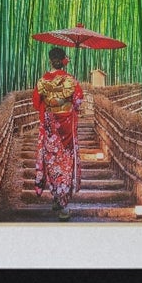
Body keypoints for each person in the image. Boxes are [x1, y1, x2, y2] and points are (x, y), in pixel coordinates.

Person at [33, 46, 84, 218]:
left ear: (50, 60)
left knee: (52, 161)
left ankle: (56, 198)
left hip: (50, 127)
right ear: (64, 61)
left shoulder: (42, 80)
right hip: (66, 127)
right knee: (65, 162)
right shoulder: (70, 80)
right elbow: (78, 101)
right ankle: (62, 205)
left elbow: (35, 103)